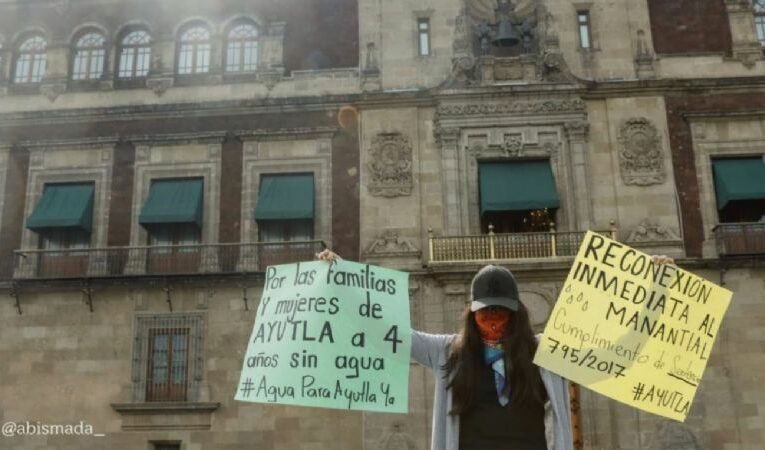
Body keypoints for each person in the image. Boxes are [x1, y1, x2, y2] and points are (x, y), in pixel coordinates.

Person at [316, 249, 674, 450]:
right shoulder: (446, 353)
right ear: (471, 315)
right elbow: (387, 332)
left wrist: (657, 294)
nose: (494, 322)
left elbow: (614, 357)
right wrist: (338, 285)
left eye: (501, 313)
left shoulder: (548, 355)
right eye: (486, 313)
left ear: (516, 314)